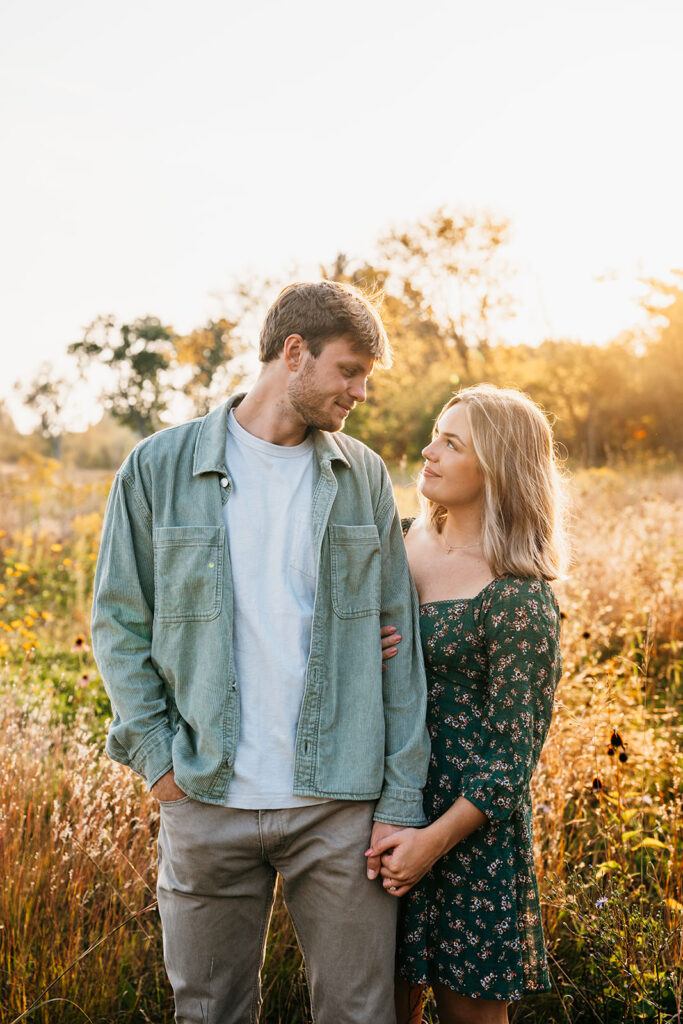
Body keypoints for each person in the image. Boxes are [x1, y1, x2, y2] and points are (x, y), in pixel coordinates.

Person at [91, 280, 430, 1024]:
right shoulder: (156, 468)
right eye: (349, 370)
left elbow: (395, 644)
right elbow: (118, 623)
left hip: (338, 803)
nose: (361, 392)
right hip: (206, 795)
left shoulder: (362, 476)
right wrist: (158, 759)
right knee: (209, 1011)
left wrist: (400, 798)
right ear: (294, 352)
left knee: (358, 1014)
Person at [373, 384, 566, 1024]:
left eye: (451, 443)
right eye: (436, 432)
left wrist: (433, 842)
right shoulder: (395, 544)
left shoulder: (516, 594)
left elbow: (512, 758)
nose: (427, 451)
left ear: (497, 469)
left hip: (467, 836)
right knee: (376, 1010)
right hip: (383, 814)